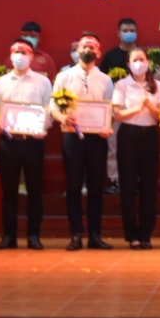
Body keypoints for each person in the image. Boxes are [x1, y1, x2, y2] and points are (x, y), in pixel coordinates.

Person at [50, 32, 116, 250]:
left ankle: (95, 235)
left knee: (96, 187)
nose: (88, 49)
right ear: (77, 50)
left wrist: (107, 126)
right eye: (84, 46)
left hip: (97, 139)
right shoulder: (64, 76)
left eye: (92, 47)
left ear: (99, 52)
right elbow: (53, 107)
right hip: (72, 137)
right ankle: (76, 234)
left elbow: (110, 110)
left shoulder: (105, 79)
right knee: (74, 186)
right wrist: (62, 118)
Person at [0, 38, 52, 250]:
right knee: (9, 192)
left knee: (35, 190)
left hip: (33, 142)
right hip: (8, 142)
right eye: (16, 52)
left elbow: (49, 110)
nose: (20, 56)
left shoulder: (42, 82)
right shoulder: (1, 82)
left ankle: (33, 235)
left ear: (32, 56)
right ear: (10, 54)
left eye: (24, 52)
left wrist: (43, 127)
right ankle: (9, 236)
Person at [112, 48, 160, 249]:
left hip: (149, 136)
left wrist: (149, 107)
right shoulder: (121, 85)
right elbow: (117, 115)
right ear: (128, 64)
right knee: (127, 186)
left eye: (142, 59)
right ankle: (132, 235)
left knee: (149, 186)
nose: (139, 63)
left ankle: (145, 234)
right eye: (135, 60)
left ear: (148, 62)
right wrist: (137, 108)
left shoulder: (157, 85)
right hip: (128, 136)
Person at [100, 18, 139, 194]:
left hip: (138, 107)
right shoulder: (111, 56)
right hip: (115, 106)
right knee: (113, 145)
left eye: (132, 30)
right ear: (119, 33)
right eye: (125, 30)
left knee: (136, 147)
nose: (129, 33)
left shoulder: (141, 55)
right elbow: (103, 80)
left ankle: (135, 180)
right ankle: (115, 180)